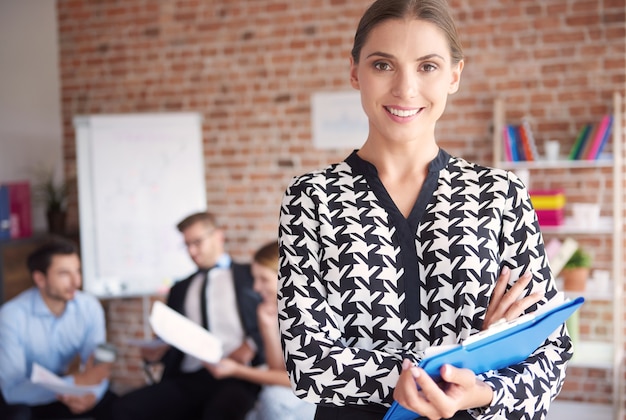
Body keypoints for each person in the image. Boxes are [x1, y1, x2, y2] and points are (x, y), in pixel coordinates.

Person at [277, 0, 572, 419]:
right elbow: (306, 359)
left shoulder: (500, 193)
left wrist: (479, 391)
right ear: (354, 71)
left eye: (427, 66)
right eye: (383, 65)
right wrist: (471, 356)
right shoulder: (312, 196)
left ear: (454, 74)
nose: (405, 88)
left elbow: (550, 350)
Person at [112, 211, 265, 420]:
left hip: (236, 374)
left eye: (197, 242)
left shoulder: (250, 276)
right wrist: (156, 353)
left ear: (219, 236)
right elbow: (173, 338)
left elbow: (276, 315)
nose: (192, 251)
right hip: (190, 377)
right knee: (123, 409)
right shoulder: (180, 288)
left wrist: (252, 344)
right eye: (187, 245)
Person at [0, 238, 117, 420]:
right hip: (24, 394)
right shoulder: (11, 316)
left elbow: (99, 366)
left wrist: (91, 395)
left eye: (77, 271)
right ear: (40, 278)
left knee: (117, 407)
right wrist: (76, 382)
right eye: (64, 274)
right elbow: (12, 392)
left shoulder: (89, 307)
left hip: (62, 387)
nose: (76, 282)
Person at [206, 241, 316, 420]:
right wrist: (267, 327)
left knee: (273, 399)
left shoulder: (314, 313)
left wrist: (237, 370)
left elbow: (299, 381)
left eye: (263, 279)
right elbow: (277, 368)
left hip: (325, 397)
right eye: (255, 279)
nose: (256, 288)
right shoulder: (281, 311)